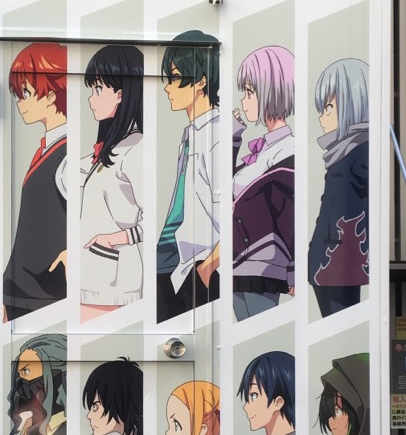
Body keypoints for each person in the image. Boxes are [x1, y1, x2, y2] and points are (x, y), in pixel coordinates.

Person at [156, 31, 221, 323]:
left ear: (201, 81)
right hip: (169, 260)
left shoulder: (217, 134)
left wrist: (208, 267)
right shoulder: (190, 132)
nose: (167, 87)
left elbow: (234, 215)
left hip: (194, 265)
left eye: (175, 78)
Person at [2, 43, 67, 322]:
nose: (19, 102)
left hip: (43, 297)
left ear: (51, 96)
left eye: (26, 93)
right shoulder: (48, 149)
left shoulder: (69, 155)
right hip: (23, 292)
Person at [80, 45, 143, 322]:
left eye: (98, 89)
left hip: (114, 283)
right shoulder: (113, 148)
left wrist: (111, 239)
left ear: (120, 94)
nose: (90, 99)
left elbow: (153, 221)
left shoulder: (136, 149)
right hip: (95, 279)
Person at [232, 46, 295, 321]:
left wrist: (293, 269)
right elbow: (224, 190)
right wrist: (234, 136)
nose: (244, 101)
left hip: (265, 264)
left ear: (272, 92)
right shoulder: (260, 151)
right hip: (239, 265)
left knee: (260, 335)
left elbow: (289, 213)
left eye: (249, 92)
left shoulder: (288, 150)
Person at [308, 59, 369, 317]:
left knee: (342, 330)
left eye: (329, 107)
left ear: (353, 104)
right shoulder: (342, 152)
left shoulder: (361, 151)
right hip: (327, 265)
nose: (321, 116)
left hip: (341, 266)